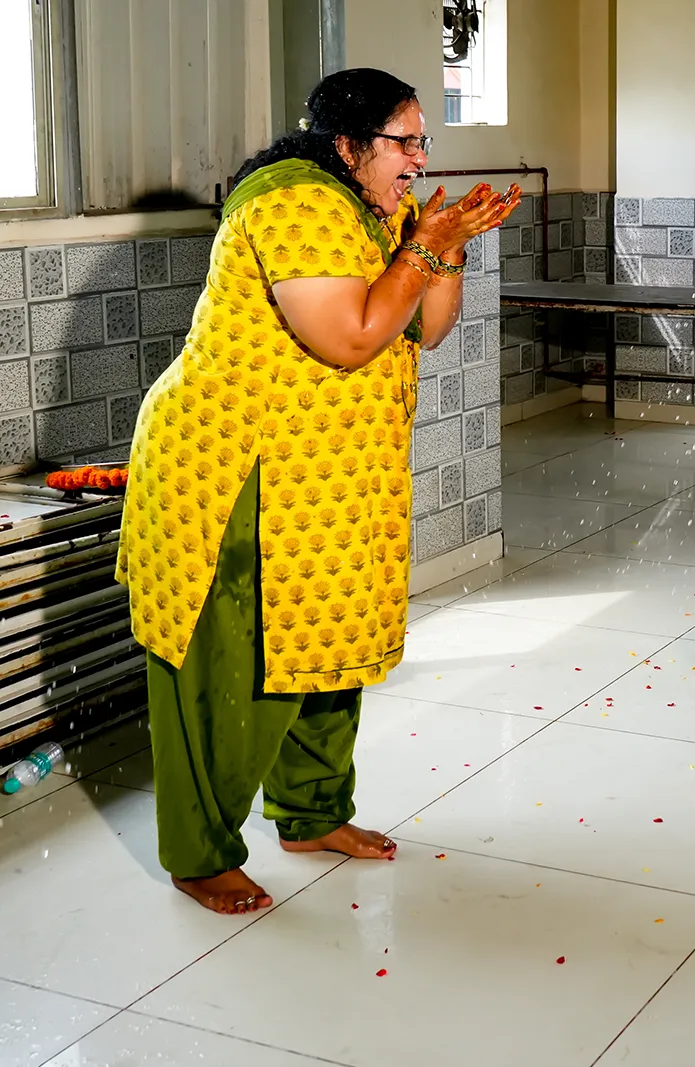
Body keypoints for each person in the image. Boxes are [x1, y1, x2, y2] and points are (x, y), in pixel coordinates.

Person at [117, 68, 519, 915]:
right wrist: (424, 246)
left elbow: (427, 327)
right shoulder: (295, 204)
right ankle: (199, 852)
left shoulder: (376, 206)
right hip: (236, 469)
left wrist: (444, 244)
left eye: (423, 141)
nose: (419, 159)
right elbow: (352, 336)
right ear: (349, 143)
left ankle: (311, 812)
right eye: (405, 142)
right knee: (233, 665)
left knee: (330, 637)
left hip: (329, 478)